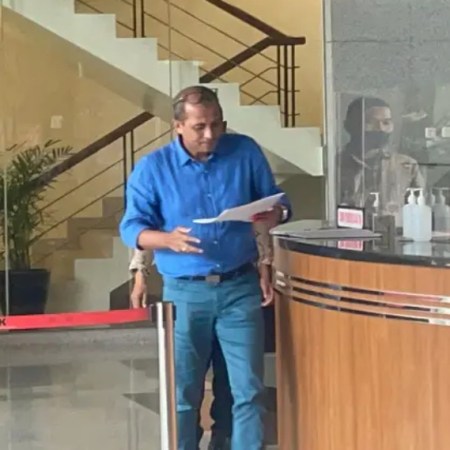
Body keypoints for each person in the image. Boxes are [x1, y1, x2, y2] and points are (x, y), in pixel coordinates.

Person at [120, 85, 291, 450]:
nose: (210, 134)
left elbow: (277, 201)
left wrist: (276, 213)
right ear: (178, 126)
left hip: (239, 286)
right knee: (183, 394)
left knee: (248, 390)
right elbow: (131, 227)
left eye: (217, 124)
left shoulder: (244, 151)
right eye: (200, 126)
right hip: (184, 293)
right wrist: (166, 240)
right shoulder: (153, 168)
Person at [128, 220, 274, 450]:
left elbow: (257, 220)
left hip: (237, 284)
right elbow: (146, 222)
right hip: (185, 287)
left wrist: (264, 266)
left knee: (237, 383)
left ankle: (224, 438)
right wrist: (140, 274)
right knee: (184, 385)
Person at [339, 96, 425, 221]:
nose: (380, 129)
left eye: (386, 123)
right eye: (370, 123)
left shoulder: (406, 166)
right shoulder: (335, 166)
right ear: (349, 126)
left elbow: (420, 211)